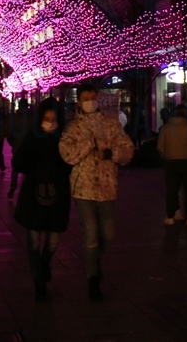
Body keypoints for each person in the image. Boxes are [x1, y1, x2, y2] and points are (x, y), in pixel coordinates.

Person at [59, 83, 134, 302]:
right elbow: (67, 155)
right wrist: (87, 146)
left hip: (107, 186)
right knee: (90, 232)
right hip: (83, 188)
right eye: (86, 98)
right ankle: (93, 278)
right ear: (80, 102)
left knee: (108, 233)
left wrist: (112, 153)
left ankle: (94, 258)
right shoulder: (73, 128)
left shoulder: (110, 125)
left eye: (93, 97)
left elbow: (128, 150)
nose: (90, 101)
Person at [14, 98, 71, 301]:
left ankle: (44, 264)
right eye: (46, 119)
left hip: (58, 195)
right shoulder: (32, 138)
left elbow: (70, 163)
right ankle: (38, 279)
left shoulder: (64, 139)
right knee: (33, 241)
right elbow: (18, 162)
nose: (49, 122)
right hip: (34, 195)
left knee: (53, 240)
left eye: (53, 119)